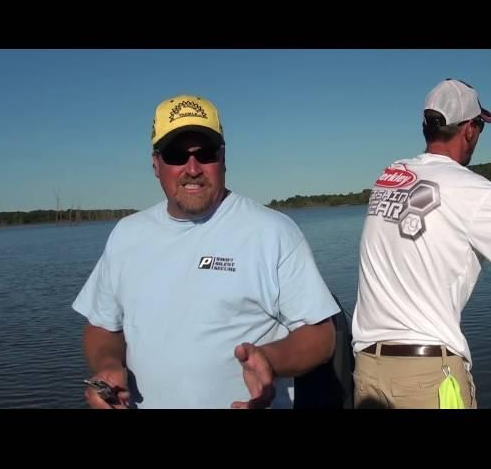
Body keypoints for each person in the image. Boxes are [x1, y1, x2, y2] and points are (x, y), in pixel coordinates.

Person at [73, 94, 340, 409]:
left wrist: (270, 359)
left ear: (223, 158)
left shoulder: (272, 231)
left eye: (206, 153)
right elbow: (103, 325)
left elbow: (321, 335)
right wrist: (107, 364)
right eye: (176, 155)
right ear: (156, 164)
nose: (193, 167)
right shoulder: (126, 234)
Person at [351, 78, 491, 409]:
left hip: (368, 374)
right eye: (480, 126)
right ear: (469, 129)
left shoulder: (388, 179)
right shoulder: (476, 191)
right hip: (427, 378)